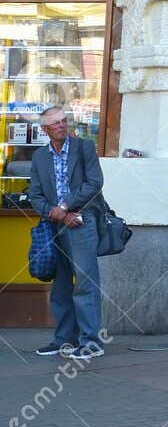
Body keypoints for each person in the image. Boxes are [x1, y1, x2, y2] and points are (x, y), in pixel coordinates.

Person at [26, 105, 105, 360]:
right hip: (54, 225)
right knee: (60, 286)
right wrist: (55, 213)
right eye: (55, 123)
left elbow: (94, 183)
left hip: (83, 223)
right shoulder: (39, 157)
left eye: (63, 121)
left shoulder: (84, 148)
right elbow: (35, 195)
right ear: (45, 129)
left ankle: (91, 342)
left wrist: (65, 207)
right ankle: (63, 340)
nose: (61, 125)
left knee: (85, 283)